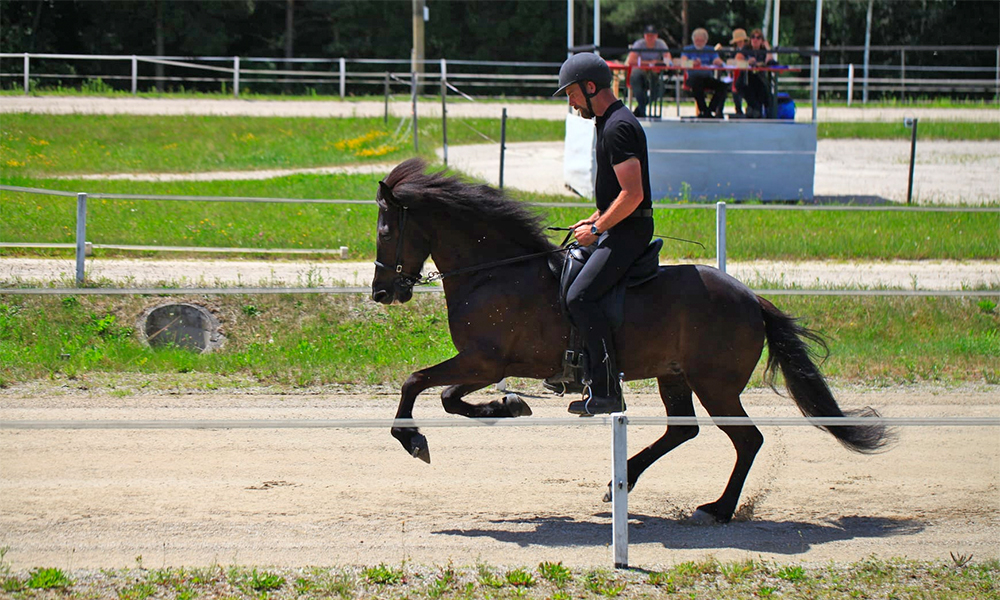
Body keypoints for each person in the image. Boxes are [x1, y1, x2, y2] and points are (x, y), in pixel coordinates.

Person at [553, 52, 654, 415]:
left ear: (590, 87)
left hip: (630, 233)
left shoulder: (618, 127)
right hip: (619, 226)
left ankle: (608, 389)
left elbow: (633, 195)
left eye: (571, 93)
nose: (570, 101)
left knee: (581, 297)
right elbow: (614, 196)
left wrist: (598, 228)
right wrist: (593, 219)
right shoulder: (606, 122)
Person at [626, 24, 673, 118]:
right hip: (640, 72)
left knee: (660, 88)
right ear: (644, 36)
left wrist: (659, 63)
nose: (650, 38)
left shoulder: (661, 44)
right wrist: (650, 62)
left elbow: (668, 60)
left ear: (656, 36)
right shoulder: (639, 44)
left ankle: (640, 108)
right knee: (636, 77)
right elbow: (631, 61)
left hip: (654, 73)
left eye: (652, 35)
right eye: (648, 35)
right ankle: (642, 111)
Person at [681, 28, 727, 118]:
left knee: (723, 86)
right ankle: (703, 110)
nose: (699, 42)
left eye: (701, 40)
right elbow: (683, 62)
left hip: (707, 77)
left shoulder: (710, 50)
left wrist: (718, 62)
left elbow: (717, 60)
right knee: (697, 84)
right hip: (693, 77)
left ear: (705, 41)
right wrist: (692, 63)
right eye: (697, 40)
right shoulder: (688, 49)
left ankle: (710, 110)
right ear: (693, 40)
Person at [736, 28, 776, 118]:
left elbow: (769, 61)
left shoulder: (763, 50)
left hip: (759, 77)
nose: (755, 40)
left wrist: (767, 47)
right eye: (753, 37)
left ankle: (762, 113)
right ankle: (755, 110)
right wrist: (748, 61)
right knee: (747, 87)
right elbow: (738, 59)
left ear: (762, 40)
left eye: (758, 38)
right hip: (746, 78)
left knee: (765, 92)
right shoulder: (746, 48)